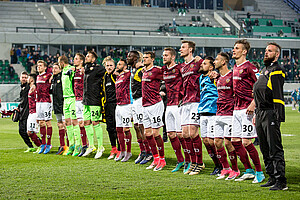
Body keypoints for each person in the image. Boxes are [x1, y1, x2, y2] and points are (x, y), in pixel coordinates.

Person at [253, 42, 287, 190]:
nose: (266, 53)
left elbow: (278, 95)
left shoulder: (277, 70)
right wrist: (256, 113)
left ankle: (281, 181)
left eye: (270, 51)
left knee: (274, 148)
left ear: (277, 54)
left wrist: (277, 115)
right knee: (265, 148)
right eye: (266, 50)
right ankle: (272, 177)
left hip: (270, 112)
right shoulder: (264, 70)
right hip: (260, 113)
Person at [231, 39, 264, 183]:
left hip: (247, 109)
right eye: (234, 48)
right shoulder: (235, 67)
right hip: (236, 109)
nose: (233, 50)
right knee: (235, 141)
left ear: (244, 51)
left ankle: (259, 172)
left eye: (237, 48)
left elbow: (261, 84)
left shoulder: (250, 67)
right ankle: (248, 170)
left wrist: (254, 103)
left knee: (246, 142)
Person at [213, 52, 240, 180]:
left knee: (229, 143)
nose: (214, 62)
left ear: (223, 62)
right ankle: (225, 168)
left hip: (229, 114)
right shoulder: (218, 78)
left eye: (217, 60)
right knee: (217, 142)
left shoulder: (232, 76)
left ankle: (235, 169)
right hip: (219, 113)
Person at [179, 40, 204, 175]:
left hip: (196, 101)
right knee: (185, 134)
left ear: (190, 50)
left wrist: (203, 60)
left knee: (193, 133)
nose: (180, 49)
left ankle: (199, 163)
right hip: (185, 102)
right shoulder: (182, 67)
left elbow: (210, 67)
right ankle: (192, 162)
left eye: (183, 47)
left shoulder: (198, 62)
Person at [162, 47, 187, 172]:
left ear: (172, 57)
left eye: (166, 55)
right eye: (163, 55)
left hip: (179, 104)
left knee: (181, 134)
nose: (163, 57)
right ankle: (180, 160)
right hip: (169, 105)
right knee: (171, 134)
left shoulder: (180, 68)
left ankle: (189, 160)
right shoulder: (164, 70)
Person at [198, 57, 222, 176]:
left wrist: (216, 76)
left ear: (211, 67)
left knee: (212, 142)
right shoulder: (201, 78)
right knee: (206, 142)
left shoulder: (214, 77)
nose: (201, 65)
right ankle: (217, 165)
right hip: (203, 112)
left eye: (205, 63)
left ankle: (222, 165)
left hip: (213, 111)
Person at [142, 51, 166, 171]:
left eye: (146, 58)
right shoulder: (144, 72)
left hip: (155, 104)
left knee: (156, 133)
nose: (144, 59)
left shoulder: (157, 70)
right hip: (145, 105)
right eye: (143, 58)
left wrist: (163, 90)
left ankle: (162, 159)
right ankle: (155, 158)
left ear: (152, 59)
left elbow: (168, 79)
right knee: (147, 134)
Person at [127, 51, 152, 164]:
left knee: (142, 126)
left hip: (142, 99)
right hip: (135, 100)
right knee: (137, 126)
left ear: (136, 58)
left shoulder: (141, 70)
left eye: (130, 56)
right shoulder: (133, 70)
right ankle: (143, 151)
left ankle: (149, 152)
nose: (128, 58)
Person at [81, 51, 106, 158]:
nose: (86, 58)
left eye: (88, 56)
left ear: (94, 59)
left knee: (95, 122)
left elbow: (107, 72)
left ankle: (100, 147)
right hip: (85, 100)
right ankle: (91, 146)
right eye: (86, 56)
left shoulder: (98, 68)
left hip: (95, 99)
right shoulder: (86, 69)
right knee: (86, 122)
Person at [59, 55, 82, 157]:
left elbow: (75, 71)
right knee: (67, 122)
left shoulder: (70, 69)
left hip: (72, 98)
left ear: (62, 62)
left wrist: (73, 69)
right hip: (65, 98)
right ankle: (71, 145)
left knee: (74, 121)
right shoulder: (63, 71)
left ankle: (78, 145)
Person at [114, 59, 133, 162]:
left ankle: (128, 152)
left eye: (120, 64)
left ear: (125, 67)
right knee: (119, 129)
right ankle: (122, 151)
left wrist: (127, 70)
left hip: (126, 104)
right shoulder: (119, 76)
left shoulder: (128, 74)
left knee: (126, 129)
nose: (118, 65)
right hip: (118, 105)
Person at [103, 56, 120, 160]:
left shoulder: (116, 75)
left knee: (116, 127)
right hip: (107, 105)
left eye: (111, 65)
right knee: (109, 128)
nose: (109, 67)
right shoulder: (105, 76)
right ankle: (113, 148)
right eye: (107, 65)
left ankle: (120, 149)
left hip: (116, 104)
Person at [50, 63, 68, 155]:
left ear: (60, 69)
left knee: (66, 125)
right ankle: (62, 145)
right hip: (56, 104)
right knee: (59, 124)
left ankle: (69, 146)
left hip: (63, 103)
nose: (54, 70)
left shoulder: (62, 77)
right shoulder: (53, 79)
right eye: (53, 68)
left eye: (56, 68)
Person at [36, 60, 53, 154]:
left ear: (45, 67)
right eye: (38, 66)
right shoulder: (38, 77)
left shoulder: (49, 75)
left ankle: (49, 144)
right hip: (39, 102)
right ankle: (43, 144)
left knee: (48, 122)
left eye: (41, 65)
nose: (39, 67)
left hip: (46, 102)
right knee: (41, 123)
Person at [73, 53, 88, 157]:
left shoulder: (84, 71)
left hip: (83, 99)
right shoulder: (74, 72)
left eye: (76, 59)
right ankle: (84, 145)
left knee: (84, 123)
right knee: (79, 124)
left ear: (81, 61)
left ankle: (87, 145)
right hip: (76, 99)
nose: (74, 60)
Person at [17, 71, 35, 152]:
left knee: (26, 131)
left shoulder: (29, 87)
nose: (24, 79)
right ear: (20, 78)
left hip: (28, 112)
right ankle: (34, 145)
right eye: (22, 77)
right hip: (22, 112)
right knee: (24, 131)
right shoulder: (22, 87)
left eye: (25, 77)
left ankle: (40, 144)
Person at [27, 73, 42, 153]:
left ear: (31, 80)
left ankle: (41, 146)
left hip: (35, 113)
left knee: (30, 132)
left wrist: (37, 115)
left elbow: (37, 101)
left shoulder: (34, 89)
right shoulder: (31, 88)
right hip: (31, 112)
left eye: (28, 78)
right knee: (29, 132)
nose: (27, 79)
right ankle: (41, 145)